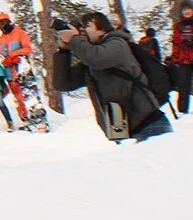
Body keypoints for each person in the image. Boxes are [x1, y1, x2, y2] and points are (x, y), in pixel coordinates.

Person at [52, 11, 172, 142]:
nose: (83, 33)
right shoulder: (92, 63)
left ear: (102, 30)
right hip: (125, 131)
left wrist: (74, 39)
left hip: (150, 124)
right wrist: (64, 51)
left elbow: (95, 57)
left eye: (86, 27)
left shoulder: (117, 44)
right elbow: (62, 83)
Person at [169, 0, 193, 130]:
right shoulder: (178, 26)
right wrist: (174, 58)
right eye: (184, 10)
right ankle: (182, 111)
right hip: (184, 60)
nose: (186, 12)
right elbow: (175, 43)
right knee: (183, 85)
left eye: (189, 9)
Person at [0, 13, 33, 122]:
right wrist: (4, 61)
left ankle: (35, 116)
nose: (2, 25)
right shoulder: (0, 39)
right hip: (9, 74)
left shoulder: (20, 33)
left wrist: (15, 55)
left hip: (22, 71)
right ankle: (24, 118)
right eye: (0, 23)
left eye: (4, 22)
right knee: (18, 98)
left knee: (28, 95)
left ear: (9, 21)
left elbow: (28, 49)